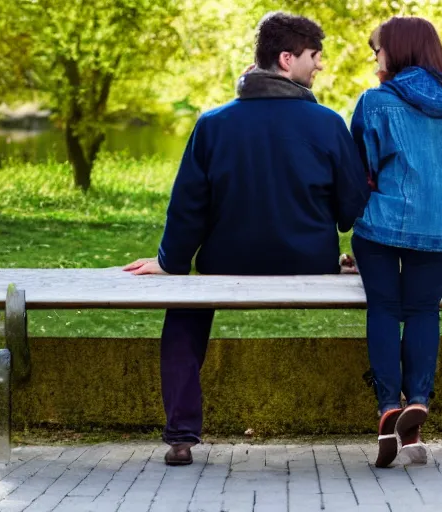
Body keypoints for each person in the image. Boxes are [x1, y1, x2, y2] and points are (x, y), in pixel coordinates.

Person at [123, 11, 370, 466]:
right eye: (314, 56)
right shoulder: (327, 123)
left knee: (184, 311)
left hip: (225, 261)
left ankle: (180, 437)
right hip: (309, 259)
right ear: (285, 58)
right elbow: (350, 210)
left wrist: (171, 261)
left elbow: (188, 206)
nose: (319, 66)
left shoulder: (213, 124)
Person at [350, 17, 442, 468]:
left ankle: (389, 405)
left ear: (398, 51)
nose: (375, 62)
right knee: (424, 309)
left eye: (377, 52)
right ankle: (417, 402)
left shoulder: (374, 102)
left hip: (382, 227)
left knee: (384, 308)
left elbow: (359, 174)